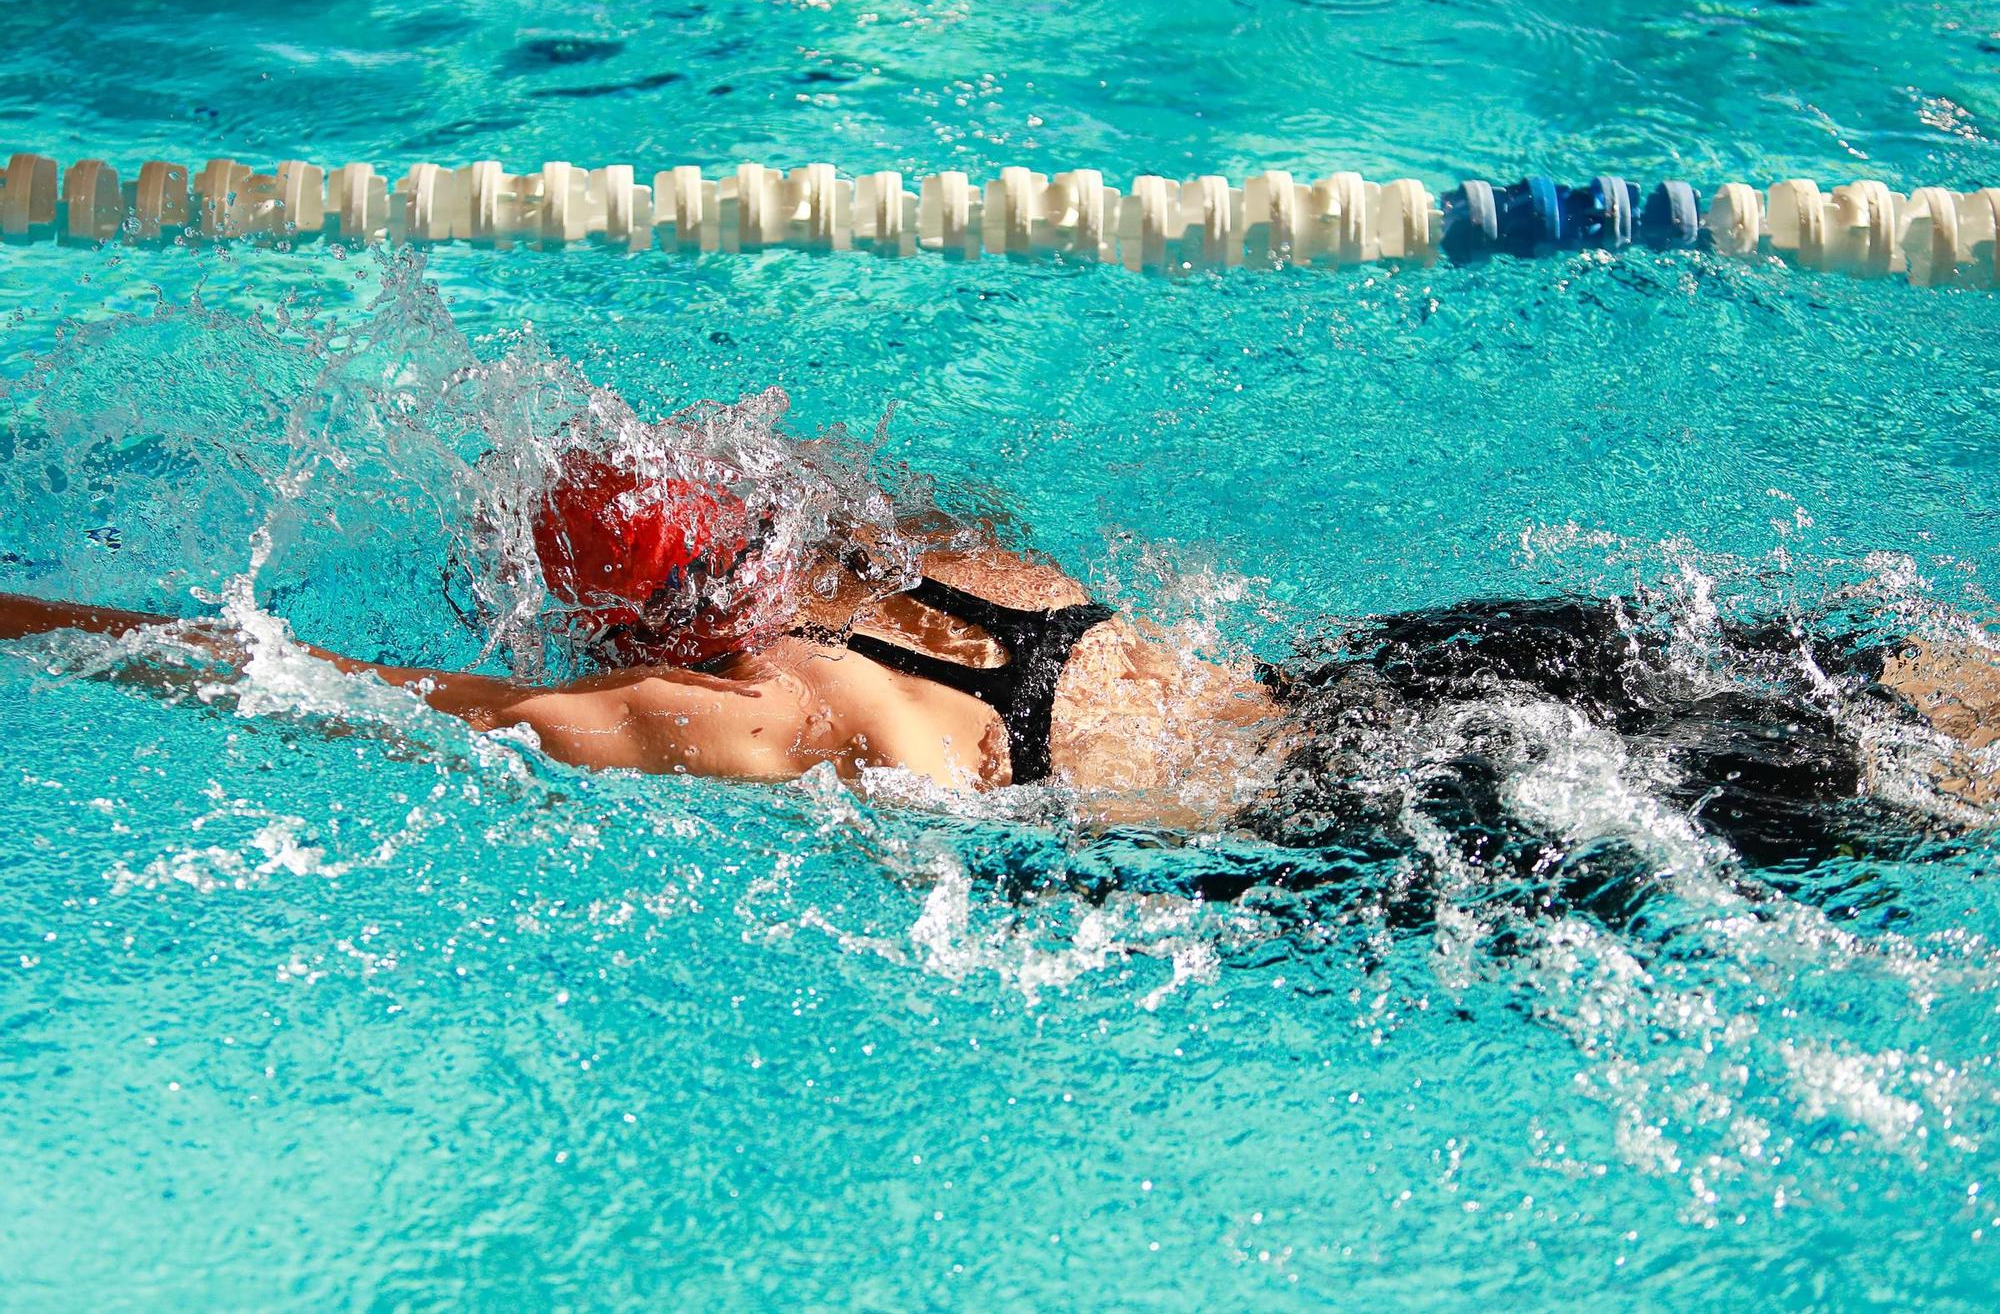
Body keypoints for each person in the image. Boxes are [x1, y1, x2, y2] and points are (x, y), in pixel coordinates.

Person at [3, 426, 1997, 891]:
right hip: (1392, 665)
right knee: (1901, 699)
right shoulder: (948, 555)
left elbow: (312, 687)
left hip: (1350, 806)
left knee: (1878, 816)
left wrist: (34, 628)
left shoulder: (760, 708)